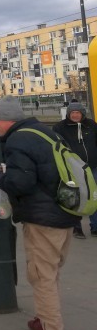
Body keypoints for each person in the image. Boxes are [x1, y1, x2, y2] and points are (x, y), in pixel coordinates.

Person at [0, 96, 80, 330]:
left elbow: (21, 183)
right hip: (64, 212)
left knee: (42, 276)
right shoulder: (44, 132)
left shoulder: (19, 139)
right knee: (50, 272)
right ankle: (44, 319)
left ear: (8, 119)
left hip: (43, 218)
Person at [52, 101, 97, 239]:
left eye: (77, 113)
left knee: (94, 195)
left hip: (93, 166)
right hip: (73, 168)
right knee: (75, 197)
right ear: (68, 114)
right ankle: (77, 228)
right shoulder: (60, 128)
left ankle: (95, 226)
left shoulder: (91, 125)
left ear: (82, 113)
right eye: (72, 113)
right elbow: (56, 146)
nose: (75, 115)